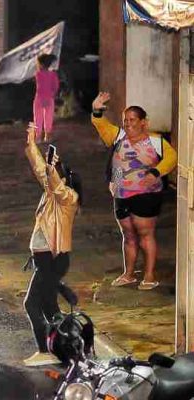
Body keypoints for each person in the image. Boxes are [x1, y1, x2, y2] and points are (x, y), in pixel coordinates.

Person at [91, 92, 177, 290]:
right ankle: (128, 274)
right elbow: (101, 126)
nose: (128, 124)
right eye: (125, 120)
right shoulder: (118, 136)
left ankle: (149, 276)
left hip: (146, 195)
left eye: (132, 120)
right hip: (122, 195)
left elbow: (172, 158)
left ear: (143, 122)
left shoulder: (156, 142)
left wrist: (156, 172)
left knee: (146, 234)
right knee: (128, 236)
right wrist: (96, 109)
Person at [22, 123, 81, 366]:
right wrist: (31, 144)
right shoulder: (50, 194)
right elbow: (40, 171)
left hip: (53, 260)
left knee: (31, 303)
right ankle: (65, 344)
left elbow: (54, 183)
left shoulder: (68, 198)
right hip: (45, 260)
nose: (49, 175)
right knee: (48, 305)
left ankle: (44, 350)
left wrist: (51, 167)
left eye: (55, 172)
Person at [33, 54, 60, 143]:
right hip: (49, 98)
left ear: (41, 64)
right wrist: (52, 94)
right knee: (48, 117)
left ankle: (38, 137)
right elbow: (56, 86)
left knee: (38, 118)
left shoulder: (38, 74)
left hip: (39, 98)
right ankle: (47, 136)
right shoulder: (53, 74)